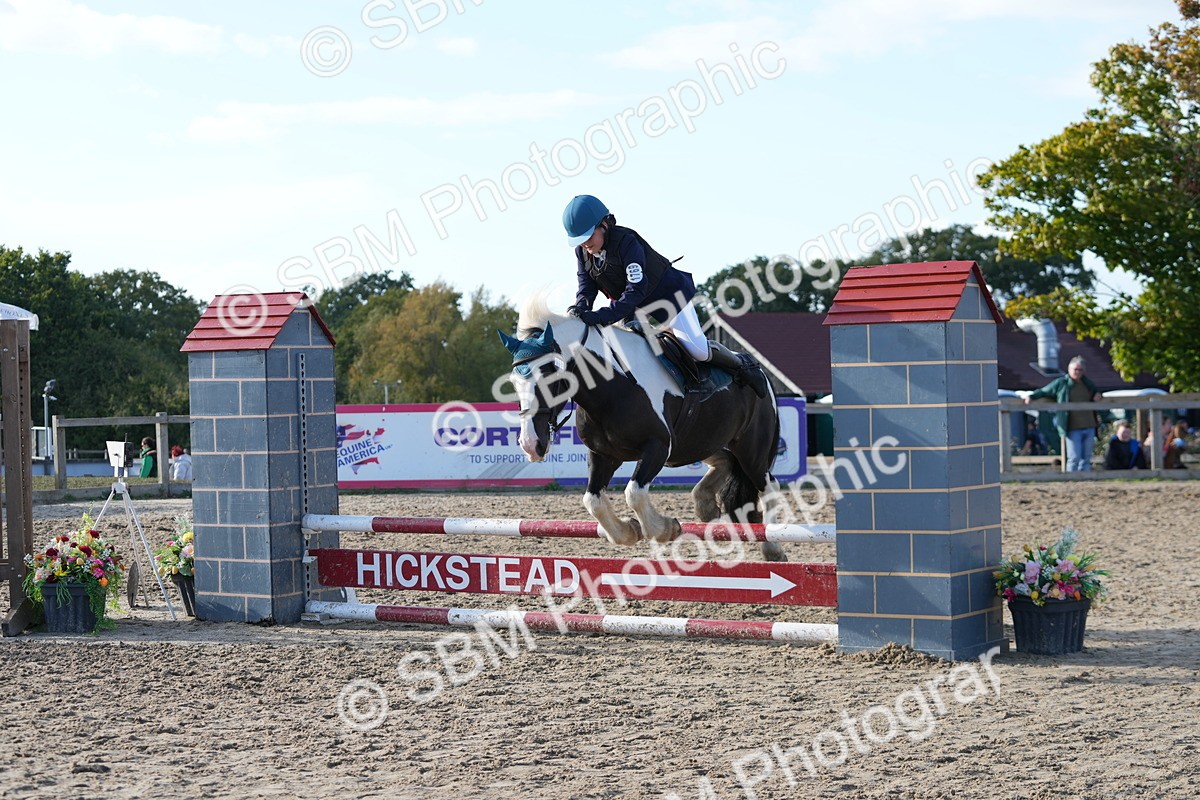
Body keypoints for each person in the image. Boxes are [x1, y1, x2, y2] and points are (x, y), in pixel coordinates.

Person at [561, 195, 769, 398]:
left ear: (604, 225)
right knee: (622, 353)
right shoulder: (583, 252)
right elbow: (586, 286)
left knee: (698, 351)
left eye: (588, 237)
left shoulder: (627, 243)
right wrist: (581, 306)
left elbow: (635, 290)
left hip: (668, 298)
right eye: (580, 241)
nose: (585, 244)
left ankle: (743, 365)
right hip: (631, 308)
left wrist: (602, 316)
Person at [1024, 356, 1102, 471]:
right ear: (1069, 369)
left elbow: (1097, 392)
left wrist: (1098, 394)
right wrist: (1031, 396)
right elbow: (1044, 391)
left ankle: (1086, 482)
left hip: (1089, 425)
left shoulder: (1087, 383)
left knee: (1086, 458)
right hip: (1072, 427)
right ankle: (1071, 481)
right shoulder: (1061, 383)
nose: (1077, 372)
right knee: (1074, 457)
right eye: (1075, 369)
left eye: (1080, 370)